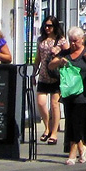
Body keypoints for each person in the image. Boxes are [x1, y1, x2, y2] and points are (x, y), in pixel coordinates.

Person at [49, 26, 86, 165]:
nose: (73, 43)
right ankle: (82, 147)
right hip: (68, 92)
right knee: (71, 122)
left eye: (76, 40)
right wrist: (59, 61)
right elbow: (50, 66)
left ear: (82, 39)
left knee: (77, 122)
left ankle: (72, 154)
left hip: (83, 93)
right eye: (71, 40)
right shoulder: (66, 53)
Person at [35, 15, 67, 144]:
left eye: (50, 26)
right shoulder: (40, 40)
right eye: (46, 25)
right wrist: (33, 72)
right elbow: (38, 57)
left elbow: (69, 54)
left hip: (56, 76)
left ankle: (54, 133)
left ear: (55, 27)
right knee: (41, 103)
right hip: (43, 75)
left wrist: (58, 51)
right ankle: (47, 127)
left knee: (55, 104)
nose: (47, 28)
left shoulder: (61, 40)